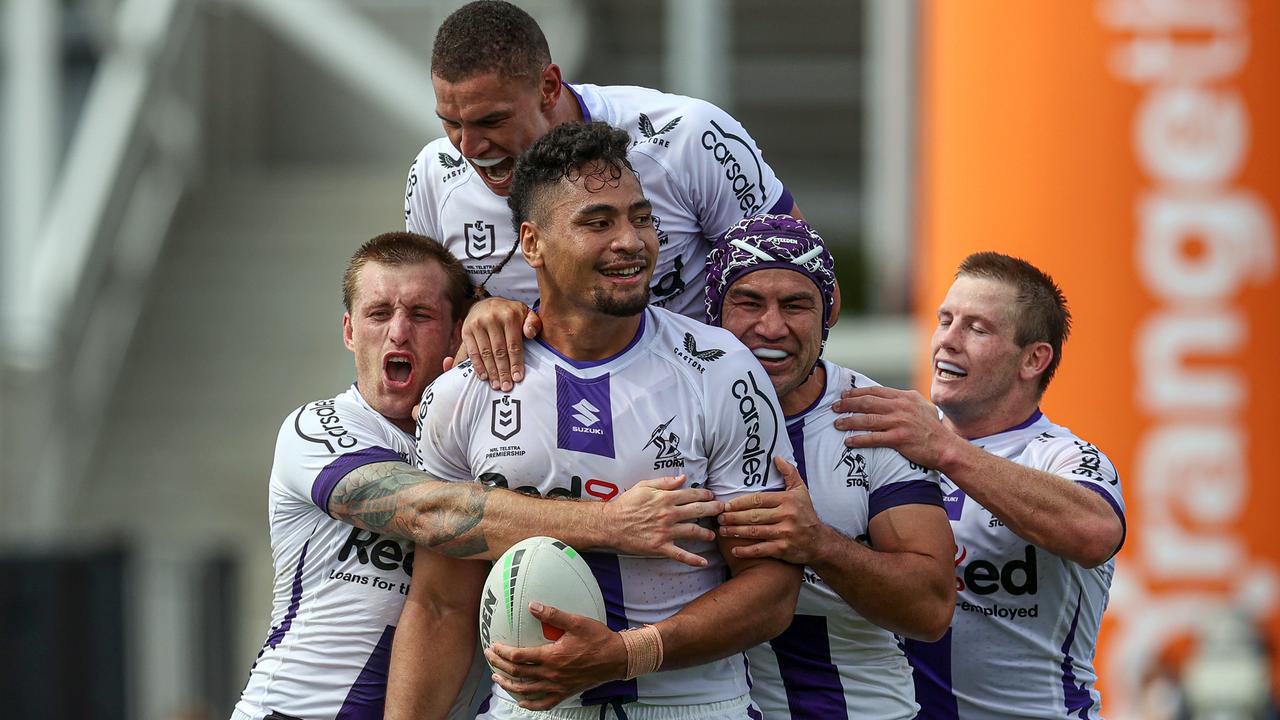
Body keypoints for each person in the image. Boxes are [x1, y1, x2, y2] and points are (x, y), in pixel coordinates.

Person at [395, 122, 802, 720]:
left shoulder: (721, 370)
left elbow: (771, 591)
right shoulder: (462, 393)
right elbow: (439, 607)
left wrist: (628, 654)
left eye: (641, 218)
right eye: (598, 222)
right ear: (531, 244)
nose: (631, 241)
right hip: (530, 711)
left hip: (691, 704)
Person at [231, 232, 723, 720]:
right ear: (349, 331)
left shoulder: (477, 434)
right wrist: (612, 523)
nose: (398, 333)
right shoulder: (317, 429)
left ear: (456, 334)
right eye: (378, 314)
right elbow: (432, 512)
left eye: (421, 315)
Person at [405, 0, 806, 392]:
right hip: (535, 437)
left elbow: (809, 287)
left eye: (492, 120)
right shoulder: (435, 175)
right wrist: (476, 313)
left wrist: (825, 404)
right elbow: (418, 325)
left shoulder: (687, 137)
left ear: (548, 87)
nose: (469, 147)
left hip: (704, 423)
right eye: (451, 123)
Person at [833, 252, 1126, 718]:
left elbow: (1095, 533)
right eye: (945, 320)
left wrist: (946, 449)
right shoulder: (894, 448)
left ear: (1033, 359)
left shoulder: (1061, 455)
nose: (947, 340)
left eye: (977, 328)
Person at [706, 214, 955, 719]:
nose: (771, 327)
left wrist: (818, 544)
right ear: (713, 313)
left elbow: (930, 610)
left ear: (828, 314)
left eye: (796, 304)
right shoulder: (672, 401)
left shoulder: (874, 418)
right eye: (748, 302)